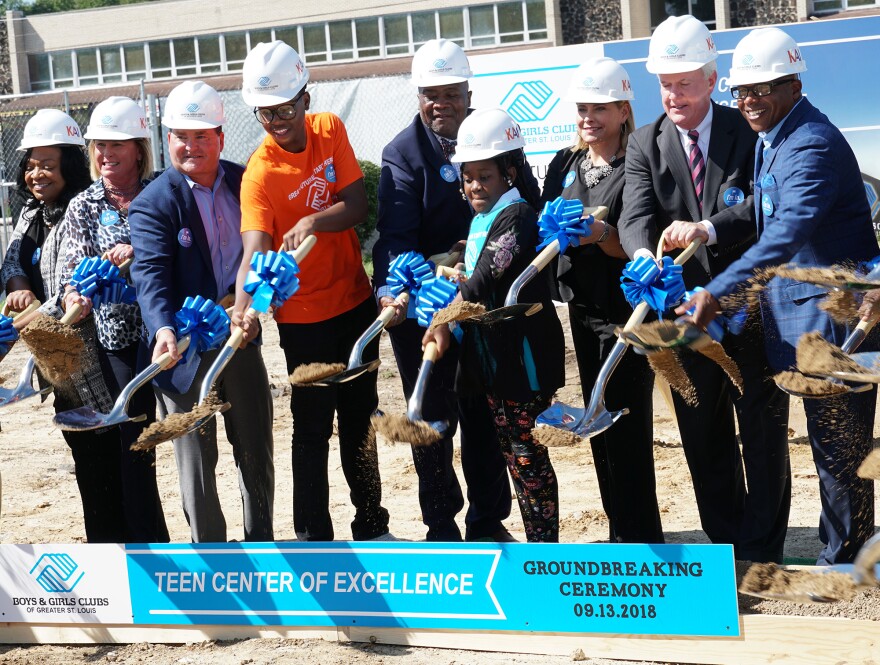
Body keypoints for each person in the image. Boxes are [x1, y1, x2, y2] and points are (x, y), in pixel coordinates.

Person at [679, 28, 879, 565]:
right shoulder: (779, 138)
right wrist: (708, 228)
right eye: (741, 92)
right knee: (829, 443)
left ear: (793, 84)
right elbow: (762, 209)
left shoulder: (810, 141)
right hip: (800, 319)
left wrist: (719, 291)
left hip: (836, 322)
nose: (748, 102)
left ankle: (847, 564)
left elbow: (787, 228)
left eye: (762, 89)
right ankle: (846, 552)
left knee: (840, 447)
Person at [616, 15, 790, 562]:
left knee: (760, 426)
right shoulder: (646, 142)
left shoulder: (749, 131)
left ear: (712, 80)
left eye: (685, 82)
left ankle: (763, 548)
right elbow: (634, 213)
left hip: (748, 304)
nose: (673, 94)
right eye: (665, 83)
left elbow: (762, 205)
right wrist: (644, 254)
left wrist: (708, 227)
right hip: (681, 311)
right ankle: (728, 548)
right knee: (700, 427)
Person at [235, 41, 389, 542]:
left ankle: (371, 524)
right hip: (302, 321)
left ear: (305, 98)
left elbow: (357, 204)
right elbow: (254, 251)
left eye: (285, 108)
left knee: (359, 420)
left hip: (354, 305)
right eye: (265, 112)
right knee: (311, 428)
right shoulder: (259, 172)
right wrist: (246, 306)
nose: (277, 120)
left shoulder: (329, 131)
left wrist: (312, 220)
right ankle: (312, 536)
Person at [372, 38, 514, 542]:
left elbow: (523, 206)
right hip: (425, 305)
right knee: (430, 417)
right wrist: (406, 285)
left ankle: (488, 521)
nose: (441, 104)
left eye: (450, 93)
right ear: (418, 97)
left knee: (482, 415)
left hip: (481, 305)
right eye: (430, 94)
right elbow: (394, 237)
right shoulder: (402, 155)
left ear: (467, 92)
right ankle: (440, 526)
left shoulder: (493, 133)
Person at [129, 81, 275, 543]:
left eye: (201, 136)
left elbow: (268, 259)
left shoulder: (246, 182)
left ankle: (263, 544)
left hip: (240, 340)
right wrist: (163, 329)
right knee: (197, 461)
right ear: (167, 138)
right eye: (180, 136)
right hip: (185, 352)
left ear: (220, 137)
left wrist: (258, 310)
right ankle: (211, 558)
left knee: (255, 450)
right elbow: (149, 275)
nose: (190, 146)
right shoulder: (154, 203)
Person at [424, 108, 565, 542]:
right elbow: (471, 263)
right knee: (498, 451)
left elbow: (488, 274)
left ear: (510, 170)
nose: (474, 186)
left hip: (519, 360)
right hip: (486, 358)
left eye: (484, 176)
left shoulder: (518, 214)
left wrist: (445, 318)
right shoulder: (482, 217)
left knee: (525, 454)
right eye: (468, 177)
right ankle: (511, 541)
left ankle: (544, 551)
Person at [541, 58, 662, 544]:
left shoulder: (637, 161)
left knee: (628, 422)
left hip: (626, 309)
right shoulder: (565, 164)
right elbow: (544, 229)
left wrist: (600, 233)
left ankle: (641, 536)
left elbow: (636, 236)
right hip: (583, 308)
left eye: (599, 108)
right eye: (582, 108)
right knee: (597, 418)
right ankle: (618, 530)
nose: (588, 117)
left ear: (622, 109)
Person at [1, 109, 133, 543]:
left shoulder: (84, 211)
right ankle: (104, 551)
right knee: (87, 463)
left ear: (70, 166)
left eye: (48, 165)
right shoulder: (30, 214)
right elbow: (13, 264)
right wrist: (19, 288)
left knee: (115, 461)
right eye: (31, 165)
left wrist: (41, 311)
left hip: (93, 357)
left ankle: (131, 553)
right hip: (57, 363)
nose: (37, 174)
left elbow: (78, 282)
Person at [58, 97, 169, 543]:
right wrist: (74, 294)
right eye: (99, 145)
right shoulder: (84, 205)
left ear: (139, 148)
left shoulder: (165, 189)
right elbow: (72, 271)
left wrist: (139, 251)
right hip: (119, 341)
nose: (105, 154)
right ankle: (146, 546)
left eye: (115, 145)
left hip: (174, 331)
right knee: (134, 444)